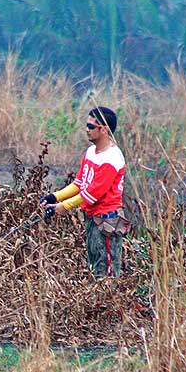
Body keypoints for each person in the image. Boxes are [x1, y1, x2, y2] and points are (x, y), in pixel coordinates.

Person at [40, 106, 128, 277]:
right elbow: (80, 183)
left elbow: (93, 193)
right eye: (86, 125)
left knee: (107, 274)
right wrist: (54, 197)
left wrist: (64, 206)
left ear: (103, 129)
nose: (86, 130)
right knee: (94, 267)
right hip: (92, 219)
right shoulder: (91, 153)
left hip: (107, 221)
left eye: (91, 126)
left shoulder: (111, 158)